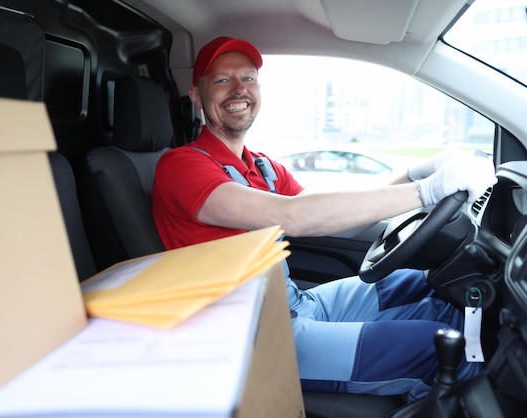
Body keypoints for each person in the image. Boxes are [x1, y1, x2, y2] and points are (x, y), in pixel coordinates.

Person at [151, 36, 497, 402]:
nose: (239, 89)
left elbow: (333, 218)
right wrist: (427, 191)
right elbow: (293, 217)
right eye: (222, 80)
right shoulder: (181, 166)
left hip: (295, 304)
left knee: (423, 287)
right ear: (195, 95)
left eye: (249, 78)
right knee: (439, 352)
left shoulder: (262, 166)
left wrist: (413, 174)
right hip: (252, 337)